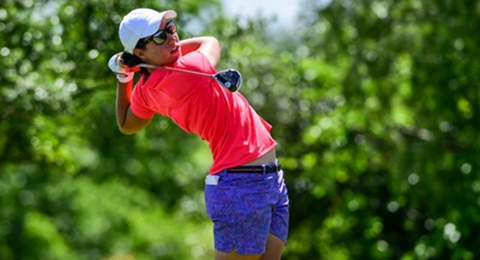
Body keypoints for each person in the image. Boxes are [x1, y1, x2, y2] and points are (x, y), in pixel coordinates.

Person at [108, 7, 289, 260]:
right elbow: (210, 41)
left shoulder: (145, 91)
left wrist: (124, 76)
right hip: (243, 185)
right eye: (160, 37)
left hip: (265, 179)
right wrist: (137, 66)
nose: (172, 38)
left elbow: (126, 123)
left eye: (171, 29)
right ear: (139, 52)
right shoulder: (190, 68)